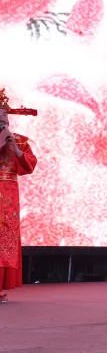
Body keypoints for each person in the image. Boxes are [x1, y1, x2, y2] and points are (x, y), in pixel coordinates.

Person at [0, 89, 39, 304]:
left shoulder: (18, 141)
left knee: (4, 241)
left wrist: (15, 150)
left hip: (8, 197)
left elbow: (29, 165)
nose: (3, 119)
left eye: (5, 115)